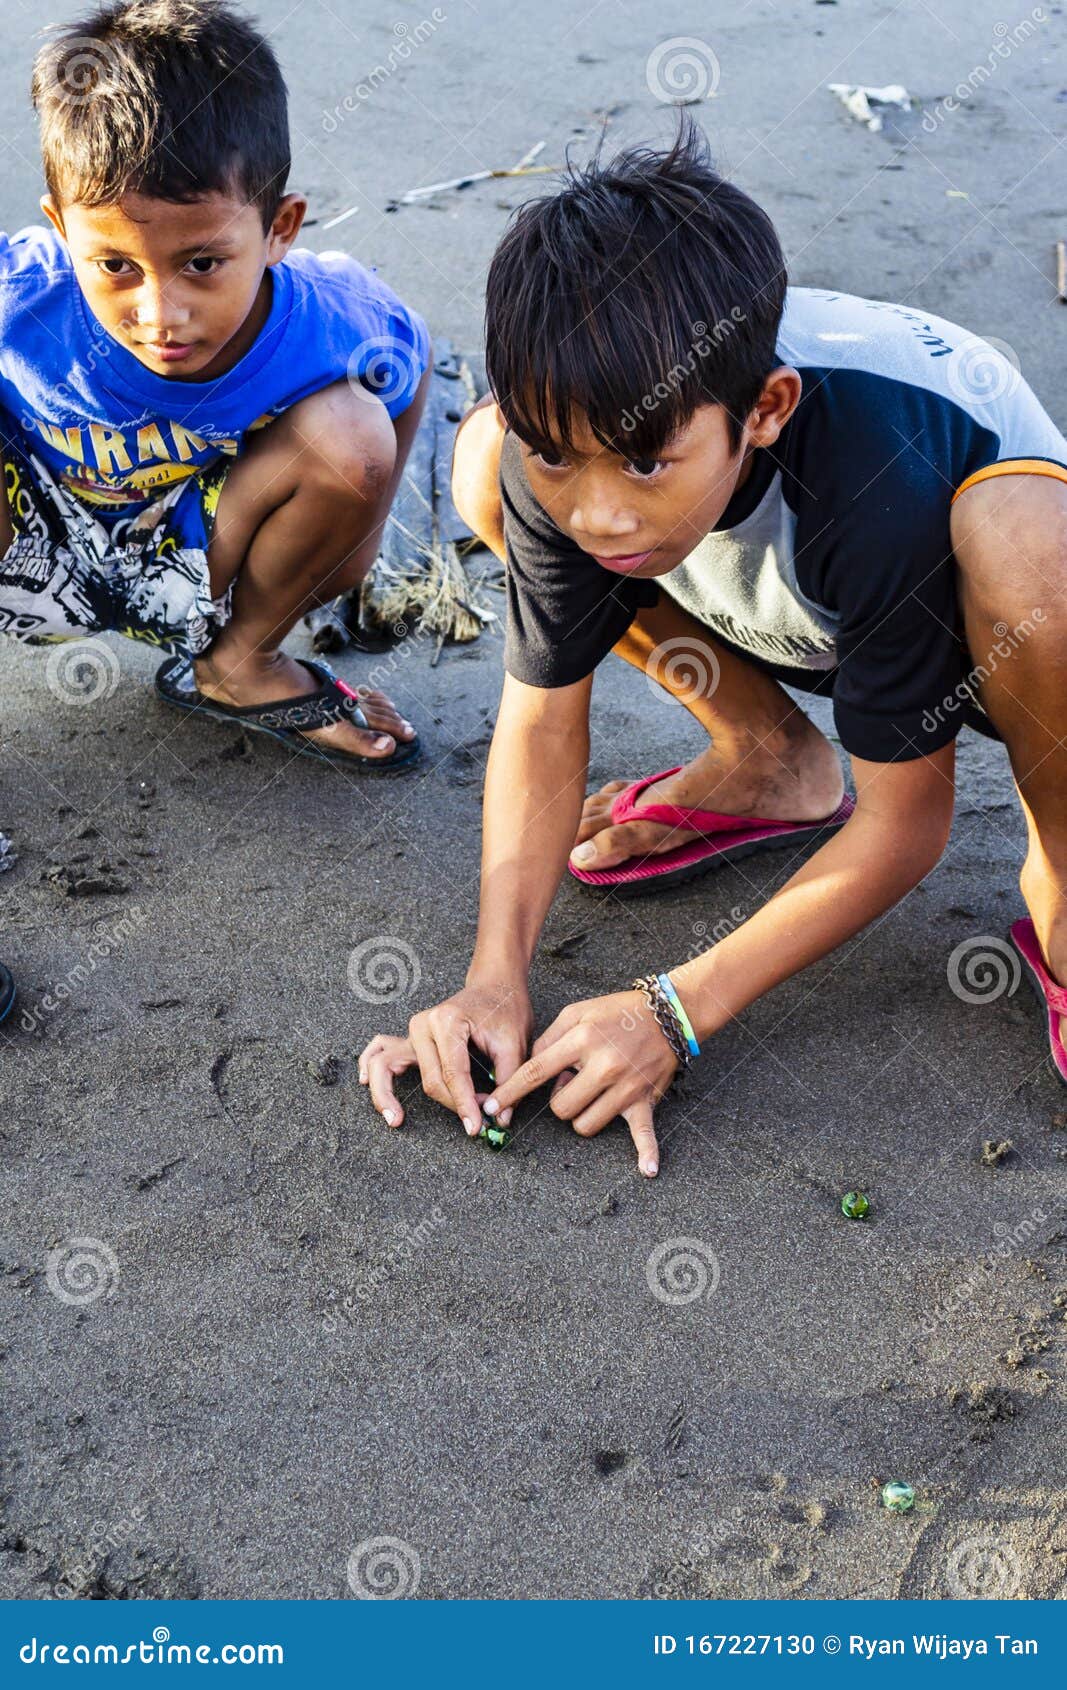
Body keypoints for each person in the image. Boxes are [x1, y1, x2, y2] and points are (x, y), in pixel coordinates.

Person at [359, 124, 1067, 1175]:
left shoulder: (879, 465)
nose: (595, 512)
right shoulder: (550, 444)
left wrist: (672, 1011)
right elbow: (541, 716)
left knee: (1025, 550)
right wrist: (492, 975)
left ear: (765, 407)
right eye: (559, 455)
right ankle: (768, 758)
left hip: (995, 628)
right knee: (478, 465)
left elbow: (908, 825)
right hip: (786, 603)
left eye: (643, 460)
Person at [0, 0, 433, 1021]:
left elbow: (403, 372)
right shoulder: (21, 298)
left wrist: (351, 556)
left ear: (279, 228)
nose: (160, 312)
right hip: (36, 542)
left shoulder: (333, 314)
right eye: (115, 266)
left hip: (197, 550)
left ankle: (237, 665)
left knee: (351, 438)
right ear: (60, 230)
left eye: (202, 262)